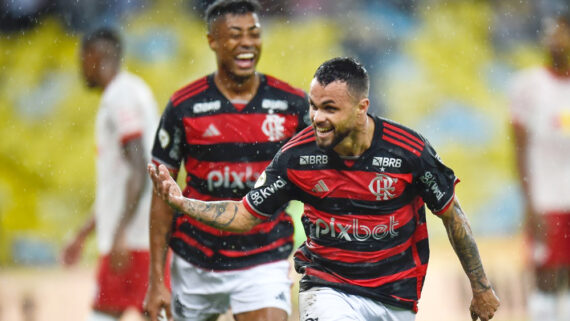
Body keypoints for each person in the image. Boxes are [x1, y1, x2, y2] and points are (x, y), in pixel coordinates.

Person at [148, 57, 501, 321]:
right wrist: (183, 202)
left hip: (395, 295)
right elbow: (243, 215)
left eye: (330, 108)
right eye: (314, 106)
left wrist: (481, 286)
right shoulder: (295, 157)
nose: (317, 117)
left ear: (362, 109)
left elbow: (452, 215)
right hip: (328, 287)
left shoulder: (409, 151)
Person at [143, 1, 310, 320]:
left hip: (262, 258)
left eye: (254, 33)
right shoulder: (184, 106)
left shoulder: (291, 104)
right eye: (235, 34)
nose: (247, 43)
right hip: (195, 261)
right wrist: (155, 281)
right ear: (213, 41)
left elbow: (321, 177)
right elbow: (163, 196)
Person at [62, 27, 159, 321]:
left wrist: (118, 231)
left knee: (103, 314)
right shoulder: (136, 89)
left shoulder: (119, 97)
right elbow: (120, 182)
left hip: (131, 240)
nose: (82, 69)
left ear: (96, 57)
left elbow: (139, 168)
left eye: (82, 60)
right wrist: (83, 233)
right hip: (144, 234)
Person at [509, 13, 570, 321]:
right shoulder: (529, 85)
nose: (554, 40)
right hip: (545, 200)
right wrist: (529, 202)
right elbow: (518, 148)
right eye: (550, 33)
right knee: (544, 282)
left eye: (561, 33)